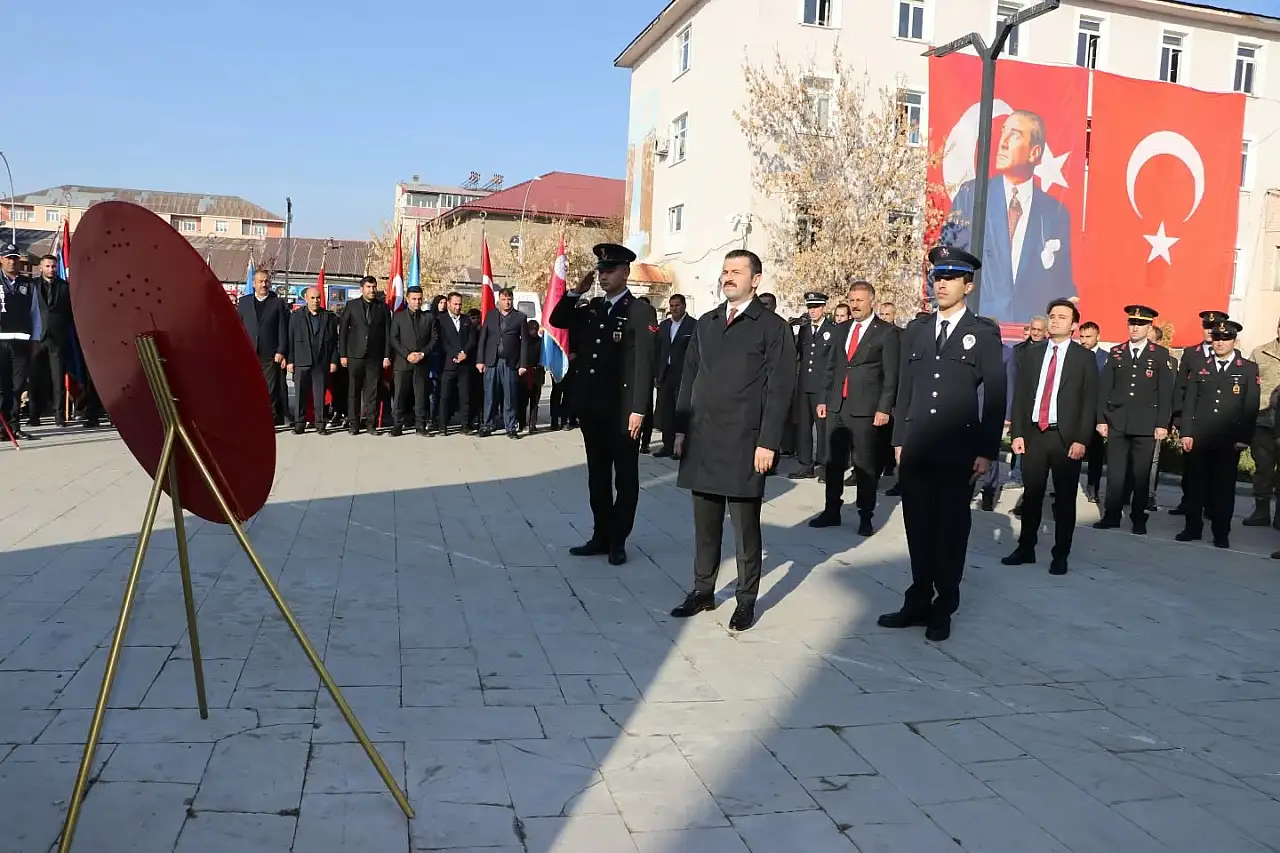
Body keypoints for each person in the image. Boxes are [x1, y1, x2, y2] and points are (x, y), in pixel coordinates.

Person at [880, 246, 1005, 643]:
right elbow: (904, 389)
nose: (942, 284)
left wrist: (986, 449)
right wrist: (899, 439)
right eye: (938, 277)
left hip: (958, 451)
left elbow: (997, 396)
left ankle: (943, 606)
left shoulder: (982, 334)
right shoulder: (916, 330)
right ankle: (917, 600)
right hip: (916, 447)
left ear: (968, 285)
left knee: (951, 531)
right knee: (917, 528)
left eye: (951, 278)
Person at [668, 250, 795, 632]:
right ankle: (702, 590)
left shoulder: (772, 327)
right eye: (725, 271)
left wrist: (768, 442)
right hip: (703, 439)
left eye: (737, 272)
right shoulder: (706, 323)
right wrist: (680, 429)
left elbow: (780, 390)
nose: (728, 277)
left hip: (745, 442)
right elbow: (688, 378)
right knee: (705, 524)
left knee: (745, 528)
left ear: (755, 280)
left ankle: (745, 600)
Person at [549, 243, 658, 566]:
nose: (604, 276)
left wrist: (639, 409)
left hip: (623, 411)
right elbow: (558, 318)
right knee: (597, 475)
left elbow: (644, 365)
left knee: (624, 478)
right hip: (593, 408)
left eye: (610, 270)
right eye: (601, 271)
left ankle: (618, 539)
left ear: (625, 273)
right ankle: (600, 534)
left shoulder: (639, 311)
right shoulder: (593, 308)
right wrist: (575, 292)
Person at [942, 110, 1076, 322]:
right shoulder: (973, 196)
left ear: (1034, 152)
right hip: (976, 325)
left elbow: (1062, 283)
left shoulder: (1055, 213)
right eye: (1003, 133)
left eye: (1014, 135)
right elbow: (946, 261)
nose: (1002, 143)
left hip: (1029, 334)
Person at [1002, 298, 1098, 575]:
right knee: (1032, 495)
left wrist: (1081, 439)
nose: (1055, 320)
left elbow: (1089, 401)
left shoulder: (1084, 358)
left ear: (1074, 325)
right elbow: (1021, 396)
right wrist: (1017, 432)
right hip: (1035, 434)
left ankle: (1060, 554)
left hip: (1065, 438)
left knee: (1065, 499)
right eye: (1052, 316)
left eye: (1061, 317)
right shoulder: (1032, 354)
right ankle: (1025, 548)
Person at [809, 279, 899, 535]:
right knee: (833, 461)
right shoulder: (841, 329)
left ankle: (866, 514)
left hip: (866, 407)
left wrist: (884, 408)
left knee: (864, 463)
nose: (855, 305)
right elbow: (832, 368)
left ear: (872, 301)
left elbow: (891, 375)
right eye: (852, 299)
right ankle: (831, 510)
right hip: (838, 404)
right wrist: (824, 399)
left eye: (860, 300)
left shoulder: (885, 332)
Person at [1176, 320, 1258, 548]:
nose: (1220, 342)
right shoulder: (1200, 365)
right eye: (1217, 338)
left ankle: (1221, 533)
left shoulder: (1247, 368)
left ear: (1234, 340)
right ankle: (1192, 528)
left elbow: (1250, 406)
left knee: (1223, 489)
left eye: (1226, 339)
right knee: (1195, 485)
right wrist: (1186, 432)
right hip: (1199, 437)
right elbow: (1190, 401)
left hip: (1228, 440)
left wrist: (1244, 438)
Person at [1094, 305, 1174, 534]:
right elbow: (1105, 389)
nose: (1135, 328)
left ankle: (1139, 518)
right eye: (1132, 323)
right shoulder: (1117, 352)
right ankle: (1111, 515)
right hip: (1118, 421)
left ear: (1149, 327)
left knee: (1140, 474)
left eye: (1140, 324)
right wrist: (1101, 419)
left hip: (1146, 424)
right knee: (1116, 473)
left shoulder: (1159, 355)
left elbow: (1165, 392)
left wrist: (1161, 424)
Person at [337, 275, 392, 436]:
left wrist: (387, 356)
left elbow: (388, 334)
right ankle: (354, 424)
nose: (372, 290)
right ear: (362, 289)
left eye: (374, 287)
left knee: (372, 392)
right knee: (353, 391)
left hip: (375, 357)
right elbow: (343, 332)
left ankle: (370, 424)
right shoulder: (352, 305)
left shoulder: (383, 308)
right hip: (355, 355)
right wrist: (343, 355)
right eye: (368, 287)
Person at [791, 292, 836, 480]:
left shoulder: (832, 330)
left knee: (823, 428)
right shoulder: (804, 330)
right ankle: (805, 464)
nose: (812, 311)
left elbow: (832, 362)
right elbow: (800, 354)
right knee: (803, 426)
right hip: (805, 385)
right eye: (810, 307)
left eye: (816, 307)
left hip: (822, 387)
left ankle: (825, 465)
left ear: (824, 307)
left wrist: (826, 391)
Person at [237, 269, 290, 426]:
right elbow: (239, 327)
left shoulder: (277, 303)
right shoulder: (244, 302)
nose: (263, 284)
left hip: (270, 354)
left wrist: (281, 350)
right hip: (249, 353)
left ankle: (269, 420)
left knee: (269, 390)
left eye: (266, 281)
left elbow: (282, 329)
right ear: (253, 284)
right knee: (249, 388)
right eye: (260, 281)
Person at [476, 287, 529, 439]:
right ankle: (487, 425)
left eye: (509, 300)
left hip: (510, 363)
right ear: (499, 300)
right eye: (504, 299)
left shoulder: (520, 317)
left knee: (510, 397)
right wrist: (480, 360)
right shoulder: (491, 315)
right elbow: (483, 339)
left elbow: (524, 342)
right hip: (491, 362)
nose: (507, 302)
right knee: (490, 396)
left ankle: (510, 427)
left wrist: (523, 364)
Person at [286, 286, 339, 435]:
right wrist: (290, 360)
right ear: (306, 299)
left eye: (318, 298)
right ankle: (299, 424)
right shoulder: (296, 316)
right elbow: (290, 339)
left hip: (321, 362)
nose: (316, 301)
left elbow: (334, 341)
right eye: (312, 298)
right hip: (302, 361)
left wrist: (333, 360)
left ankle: (320, 424)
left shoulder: (328, 317)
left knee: (319, 396)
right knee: (300, 396)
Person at [0, 244, 38, 440]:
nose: (12, 261)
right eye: (8, 257)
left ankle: (14, 425)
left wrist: (36, 337)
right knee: (1, 387)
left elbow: (35, 313)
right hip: (0, 342)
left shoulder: (27, 284)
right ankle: (2, 427)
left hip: (21, 343)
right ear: (1, 259)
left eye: (14, 257)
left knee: (17, 386)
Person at [1244, 316, 1280, 528]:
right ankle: (1261, 512)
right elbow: (1249, 387)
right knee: (1263, 469)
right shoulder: (1260, 352)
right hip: (1263, 422)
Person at [31, 254, 73, 427]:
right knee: (36, 379)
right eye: (47, 266)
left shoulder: (65, 287)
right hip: (36, 338)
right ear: (41, 267)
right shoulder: (32, 286)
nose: (51, 269)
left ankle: (59, 415)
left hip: (57, 338)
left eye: (54, 266)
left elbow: (70, 312)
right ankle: (34, 415)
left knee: (57, 379)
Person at [653, 293, 696, 458]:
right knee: (666, 410)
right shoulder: (664, 326)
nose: (674, 309)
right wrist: (657, 373)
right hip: (666, 373)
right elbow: (658, 350)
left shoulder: (693, 325)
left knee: (681, 410)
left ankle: (682, 446)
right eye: (671, 306)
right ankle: (667, 445)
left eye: (677, 305)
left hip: (684, 374)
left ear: (684, 306)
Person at [389, 286, 436, 436]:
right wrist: (407, 354)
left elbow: (434, 339)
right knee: (400, 396)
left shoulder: (428, 318)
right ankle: (397, 425)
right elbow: (393, 339)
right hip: (403, 363)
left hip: (422, 363)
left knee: (420, 395)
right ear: (407, 299)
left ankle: (420, 426)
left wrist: (422, 354)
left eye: (419, 299)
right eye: (414, 299)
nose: (417, 302)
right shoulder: (398, 317)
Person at [433, 292, 477, 436]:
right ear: (449, 304)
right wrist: (455, 354)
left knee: (465, 396)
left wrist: (464, 352)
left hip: (465, 364)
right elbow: (442, 341)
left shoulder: (467, 320)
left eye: (460, 304)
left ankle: (465, 425)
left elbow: (472, 339)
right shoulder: (441, 320)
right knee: (445, 396)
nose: (458, 307)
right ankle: (442, 425)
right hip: (448, 364)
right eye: (455, 304)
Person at [1077, 320, 1108, 502]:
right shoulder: (1075, 355)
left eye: (1088, 337)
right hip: (1075, 412)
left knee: (1096, 455)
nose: (1084, 341)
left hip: (1096, 413)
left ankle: (1093, 489)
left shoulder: (1106, 358)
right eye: (1082, 336)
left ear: (1098, 337)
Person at [518, 319, 546, 433]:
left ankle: (532, 424)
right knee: (523, 401)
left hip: (537, 373)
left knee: (535, 402)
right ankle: (521, 423)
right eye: (531, 329)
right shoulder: (523, 342)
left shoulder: (541, 342)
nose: (533, 332)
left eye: (535, 329)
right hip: (524, 374)